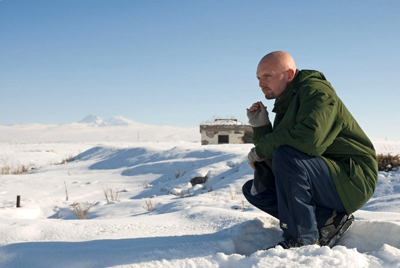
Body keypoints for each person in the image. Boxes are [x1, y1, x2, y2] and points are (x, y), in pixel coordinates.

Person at [243, 51, 378, 249]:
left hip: (353, 178)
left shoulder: (316, 91)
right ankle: (328, 220)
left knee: (285, 155)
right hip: (324, 176)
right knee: (257, 189)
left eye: (267, 76)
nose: (261, 83)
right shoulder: (286, 104)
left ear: (289, 74)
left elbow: (311, 141)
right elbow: (277, 160)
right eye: (258, 78)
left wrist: (263, 148)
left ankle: (301, 239)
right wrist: (261, 127)